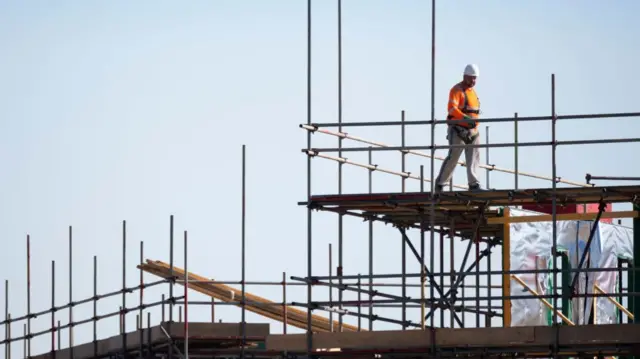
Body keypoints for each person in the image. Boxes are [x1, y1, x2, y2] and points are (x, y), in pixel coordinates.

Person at [434, 64, 484, 193]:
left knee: (474, 157)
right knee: (454, 156)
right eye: (471, 78)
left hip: (472, 131)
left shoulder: (473, 93)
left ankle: (474, 184)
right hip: (458, 129)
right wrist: (464, 118)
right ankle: (440, 184)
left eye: (475, 78)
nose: (473, 81)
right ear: (464, 76)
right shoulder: (457, 90)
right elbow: (452, 108)